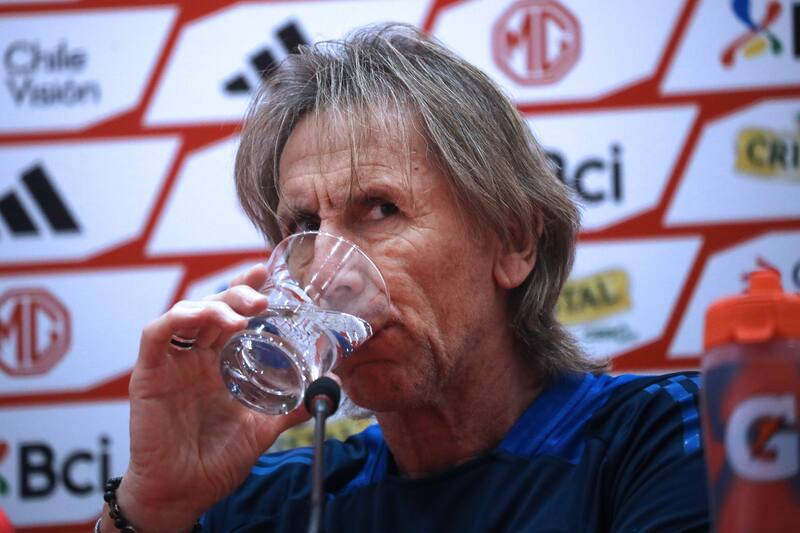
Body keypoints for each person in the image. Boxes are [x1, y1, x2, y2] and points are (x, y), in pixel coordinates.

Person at [96, 24, 709, 532]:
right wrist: (153, 506)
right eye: (304, 225)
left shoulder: (667, 438)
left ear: (515, 242)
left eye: (380, 209)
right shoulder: (267, 500)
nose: (328, 273)